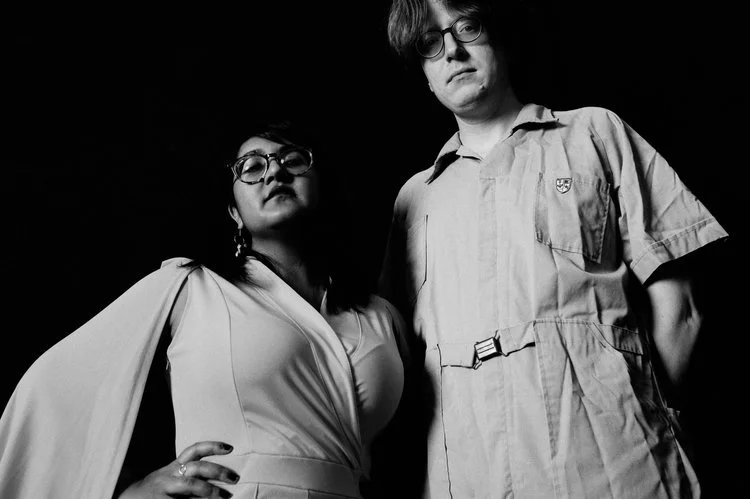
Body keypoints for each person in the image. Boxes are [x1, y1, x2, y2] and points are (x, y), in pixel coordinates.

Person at [378, 0, 729, 497]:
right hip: (468, 475)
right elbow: (393, 358)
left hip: (617, 463)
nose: (452, 51)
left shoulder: (595, 132)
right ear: (424, 74)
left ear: (499, 35)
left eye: (467, 27)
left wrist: (645, 413)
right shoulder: (415, 199)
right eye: (430, 43)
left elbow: (682, 307)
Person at [0, 119, 408, 499]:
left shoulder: (381, 317)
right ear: (234, 213)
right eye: (252, 167)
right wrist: (130, 492)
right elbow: (54, 389)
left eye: (293, 160)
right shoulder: (191, 287)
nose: (274, 172)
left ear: (321, 186)